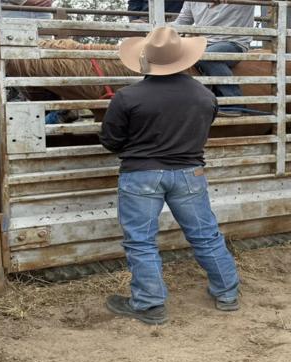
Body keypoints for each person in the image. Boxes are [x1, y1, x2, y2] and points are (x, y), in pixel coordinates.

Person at [98, 25, 241, 325]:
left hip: (141, 174)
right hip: (190, 172)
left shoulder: (126, 97)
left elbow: (111, 141)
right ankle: (227, 293)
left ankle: (150, 305)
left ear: (145, 59)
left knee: (141, 241)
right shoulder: (205, 96)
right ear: (183, 59)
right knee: (205, 234)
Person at [172, 2, 255, 100]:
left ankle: (234, 101)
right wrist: (159, 28)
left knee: (206, 57)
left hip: (233, 42)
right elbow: (182, 21)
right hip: (203, 43)